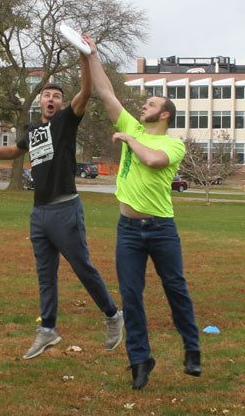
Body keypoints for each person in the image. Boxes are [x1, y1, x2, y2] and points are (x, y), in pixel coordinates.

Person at [0, 52, 122, 359]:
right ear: (39, 102)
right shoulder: (32, 131)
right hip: (39, 213)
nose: (51, 99)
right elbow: (14, 151)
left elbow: (86, 92)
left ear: (61, 104)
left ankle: (113, 315)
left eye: (56, 96)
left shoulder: (66, 121)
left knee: (83, 268)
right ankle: (48, 329)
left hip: (65, 209)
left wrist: (83, 59)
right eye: (46, 96)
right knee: (45, 273)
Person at [84, 36, 201, 389]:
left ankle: (192, 349)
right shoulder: (132, 128)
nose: (143, 107)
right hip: (128, 230)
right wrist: (91, 55)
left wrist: (129, 140)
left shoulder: (173, 143)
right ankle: (140, 359)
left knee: (175, 289)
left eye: (150, 103)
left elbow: (151, 160)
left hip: (161, 229)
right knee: (131, 296)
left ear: (165, 113)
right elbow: (106, 93)